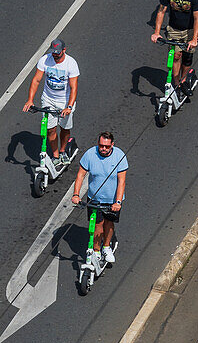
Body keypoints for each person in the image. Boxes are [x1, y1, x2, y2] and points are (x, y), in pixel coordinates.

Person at [72, 131, 128, 265]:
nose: (103, 149)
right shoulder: (90, 154)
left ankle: (106, 247)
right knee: (97, 225)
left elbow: (122, 182)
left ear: (112, 145)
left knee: (108, 224)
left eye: (107, 146)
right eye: (101, 145)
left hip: (112, 200)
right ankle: (96, 251)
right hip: (94, 199)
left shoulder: (120, 156)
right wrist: (76, 194)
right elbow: (80, 175)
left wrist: (118, 202)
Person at [23, 38, 79, 160]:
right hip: (48, 99)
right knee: (50, 130)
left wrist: (69, 106)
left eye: (57, 52)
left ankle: (63, 150)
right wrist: (30, 99)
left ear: (64, 50)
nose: (55, 55)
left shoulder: (71, 64)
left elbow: (73, 87)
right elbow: (36, 80)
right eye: (53, 52)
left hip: (64, 101)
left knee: (64, 129)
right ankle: (55, 155)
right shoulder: (45, 60)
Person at [151, 0, 198, 96]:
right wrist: (157, 32)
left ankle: (184, 79)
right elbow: (161, 12)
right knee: (176, 55)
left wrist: (194, 38)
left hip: (189, 30)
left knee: (187, 58)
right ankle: (177, 83)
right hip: (174, 30)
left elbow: (197, 19)